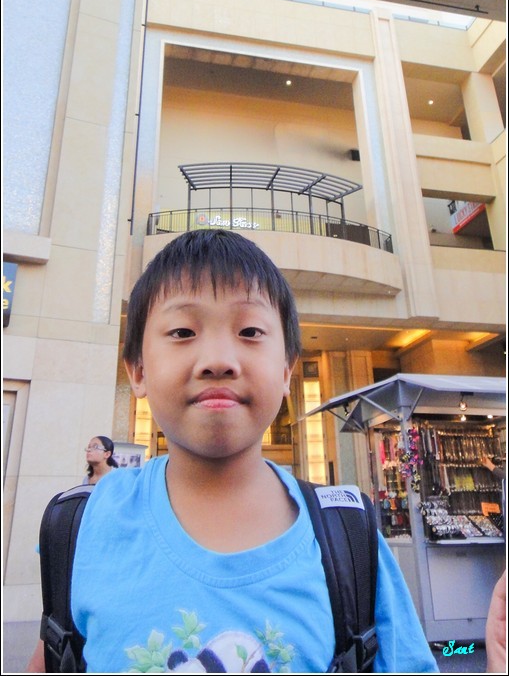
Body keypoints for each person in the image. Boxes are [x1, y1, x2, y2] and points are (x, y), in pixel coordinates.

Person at [27, 230, 502, 673]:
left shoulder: (347, 536)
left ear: (286, 371)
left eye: (250, 331)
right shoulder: (84, 524)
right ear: (137, 370)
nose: (218, 361)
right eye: (183, 332)